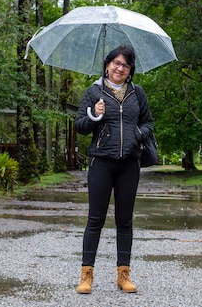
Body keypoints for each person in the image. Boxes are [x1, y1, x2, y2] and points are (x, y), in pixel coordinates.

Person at [74, 45, 154, 294]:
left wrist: (137, 133)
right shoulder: (93, 92)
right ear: (108, 65)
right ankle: (86, 276)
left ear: (130, 70)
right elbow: (80, 126)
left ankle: (123, 275)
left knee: (124, 221)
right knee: (95, 220)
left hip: (129, 164)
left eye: (126, 65)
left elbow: (148, 121)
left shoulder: (137, 93)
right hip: (101, 162)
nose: (120, 68)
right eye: (116, 63)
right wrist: (95, 116)